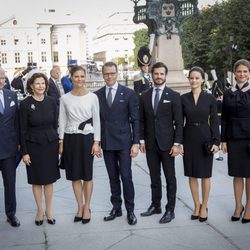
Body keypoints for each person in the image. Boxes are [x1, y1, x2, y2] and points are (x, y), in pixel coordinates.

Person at [95, 62, 140, 225]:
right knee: (112, 177)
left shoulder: (128, 93)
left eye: (112, 73)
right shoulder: (97, 95)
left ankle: (130, 210)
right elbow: (97, 121)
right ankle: (116, 207)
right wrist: (97, 142)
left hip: (124, 143)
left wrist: (136, 143)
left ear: (117, 73)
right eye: (106, 74)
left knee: (126, 177)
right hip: (107, 143)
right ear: (103, 75)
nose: (109, 76)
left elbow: (135, 119)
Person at [139, 62, 183, 224]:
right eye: (156, 74)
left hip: (168, 144)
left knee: (170, 178)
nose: (159, 76)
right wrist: (141, 140)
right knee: (154, 177)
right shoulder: (144, 95)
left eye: (161, 74)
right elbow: (141, 120)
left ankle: (170, 209)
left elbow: (179, 122)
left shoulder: (173, 96)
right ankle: (155, 205)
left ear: (166, 75)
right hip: (150, 144)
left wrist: (177, 144)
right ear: (152, 74)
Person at [59, 65, 101, 224]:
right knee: (74, 176)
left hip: (87, 139)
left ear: (86, 77)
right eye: (76, 76)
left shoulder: (93, 97)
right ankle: (79, 206)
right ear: (71, 78)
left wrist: (96, 142)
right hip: (70, 139)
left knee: (87, 175)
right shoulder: (64, 98)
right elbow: (61, 121)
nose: (79, 79)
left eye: (82, 76)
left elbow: (97, 121)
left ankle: (87, 207)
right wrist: (61, 141)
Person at [20, 72, 60, 226]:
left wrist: (58, 144)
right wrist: (25, 152)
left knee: (49, 180)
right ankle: (39, 210)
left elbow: (55, 124)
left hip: (50, 145)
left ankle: (49, 211)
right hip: (33, 146)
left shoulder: (52, 102)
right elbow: (22, 130)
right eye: (37, 83)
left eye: (43, 83)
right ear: (31, 86)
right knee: (37, 181)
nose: (40, 86)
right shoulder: (24, 104)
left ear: (46, 85)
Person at [181, 66, 220, 222]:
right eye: (191, 77)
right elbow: (179, 122)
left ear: (203, 80)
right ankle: (196, 205)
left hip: (205, 137)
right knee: (191, 174)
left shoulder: (210, 98)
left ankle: (204, 207)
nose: (194, 80)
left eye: (197, 78)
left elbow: (215, 122)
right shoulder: (183, 99)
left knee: (205, 175)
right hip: (189, 137)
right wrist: (179, 143)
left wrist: (216, 140)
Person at [221, 59, 250, 223]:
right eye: (239, 71)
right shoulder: (228, 92)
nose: (242, 74)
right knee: (237, 175)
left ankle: (249, 207)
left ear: (249, 73)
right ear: (235, 73)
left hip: (249, 138)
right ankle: (238, 206)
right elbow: (224, 118)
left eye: (245, 71)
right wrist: (223, 140)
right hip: (233, 138)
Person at [0, 67, 20, 227]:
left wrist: (19, 143)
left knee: (10, 183)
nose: (1, 81)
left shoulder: (11, 95)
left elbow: (17, 122)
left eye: (2, 77)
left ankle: (11, 214)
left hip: (9, 149)